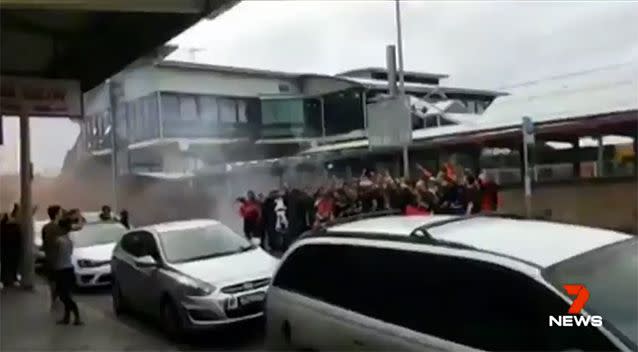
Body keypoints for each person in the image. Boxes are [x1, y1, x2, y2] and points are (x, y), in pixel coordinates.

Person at [52, 212, 83, 325]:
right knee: (66, 295)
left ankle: (76, 316)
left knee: (64, 296)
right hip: (68, 268)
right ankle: (67, 317)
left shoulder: (59, 240)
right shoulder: (69, 240)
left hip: (61, 269)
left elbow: (55, 255)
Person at [42, 205, 64, 310]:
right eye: (60, 212)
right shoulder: (57, 228)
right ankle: (57, 301)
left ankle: (54, 300)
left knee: (53, 280)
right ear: (56, 214)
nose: (62, 213)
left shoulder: (46, 227)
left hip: (50, 257)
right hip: (58, 258)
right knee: (58, 281)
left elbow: (44, 243)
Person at [0, 204, 22, 287]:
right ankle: (9, 279)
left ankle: (7, 280)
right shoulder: (13, 223)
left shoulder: (9, 222)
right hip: (10, 246)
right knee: (10, 264)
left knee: (8, 264)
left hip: (7, 246)